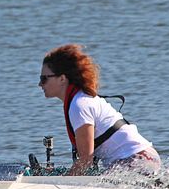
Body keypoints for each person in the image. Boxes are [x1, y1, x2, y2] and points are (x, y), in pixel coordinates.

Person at [39, 44, 161, 176]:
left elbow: (86, 161)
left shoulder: (79, 105)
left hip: (136, 160)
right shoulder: (80, 99)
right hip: (143, 158)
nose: (40, 84)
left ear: (62, 78)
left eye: (44, 78)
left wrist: (60, 181)